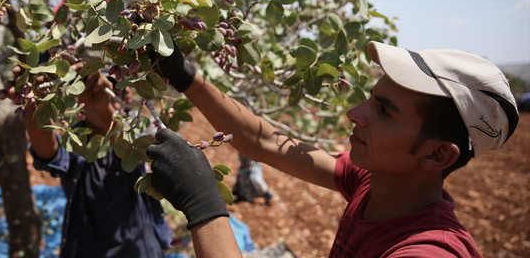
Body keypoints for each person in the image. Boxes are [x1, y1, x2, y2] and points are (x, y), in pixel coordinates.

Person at [145, 41, 519, 258]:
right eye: (372, 100)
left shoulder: (427, 253)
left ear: (438, 155)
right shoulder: (374, 186)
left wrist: (205, 209)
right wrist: (184, 76)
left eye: (384, 111)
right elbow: (263, 140)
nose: (354, 114)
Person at [2, 67, 172, 258]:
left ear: (126, 99)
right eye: (91, 91)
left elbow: (129, 151)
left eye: (114, 90)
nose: (105, 95)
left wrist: (104, 110)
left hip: (137, 250)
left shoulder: (138, 135)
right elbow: (48, 155)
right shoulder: (75, 141)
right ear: (79, 99)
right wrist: (33, 104)